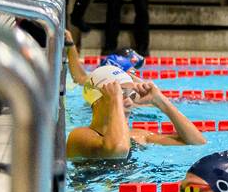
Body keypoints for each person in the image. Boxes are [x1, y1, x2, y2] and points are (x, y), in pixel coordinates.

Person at [66, 64, 206, 159]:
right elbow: (117, 150)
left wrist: (161, 102)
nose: (129, 102)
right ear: (96, 99)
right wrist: (116, 100)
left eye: (131, 95)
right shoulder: (79, 136)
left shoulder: (138, 135)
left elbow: (196, 142)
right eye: (121, 94)